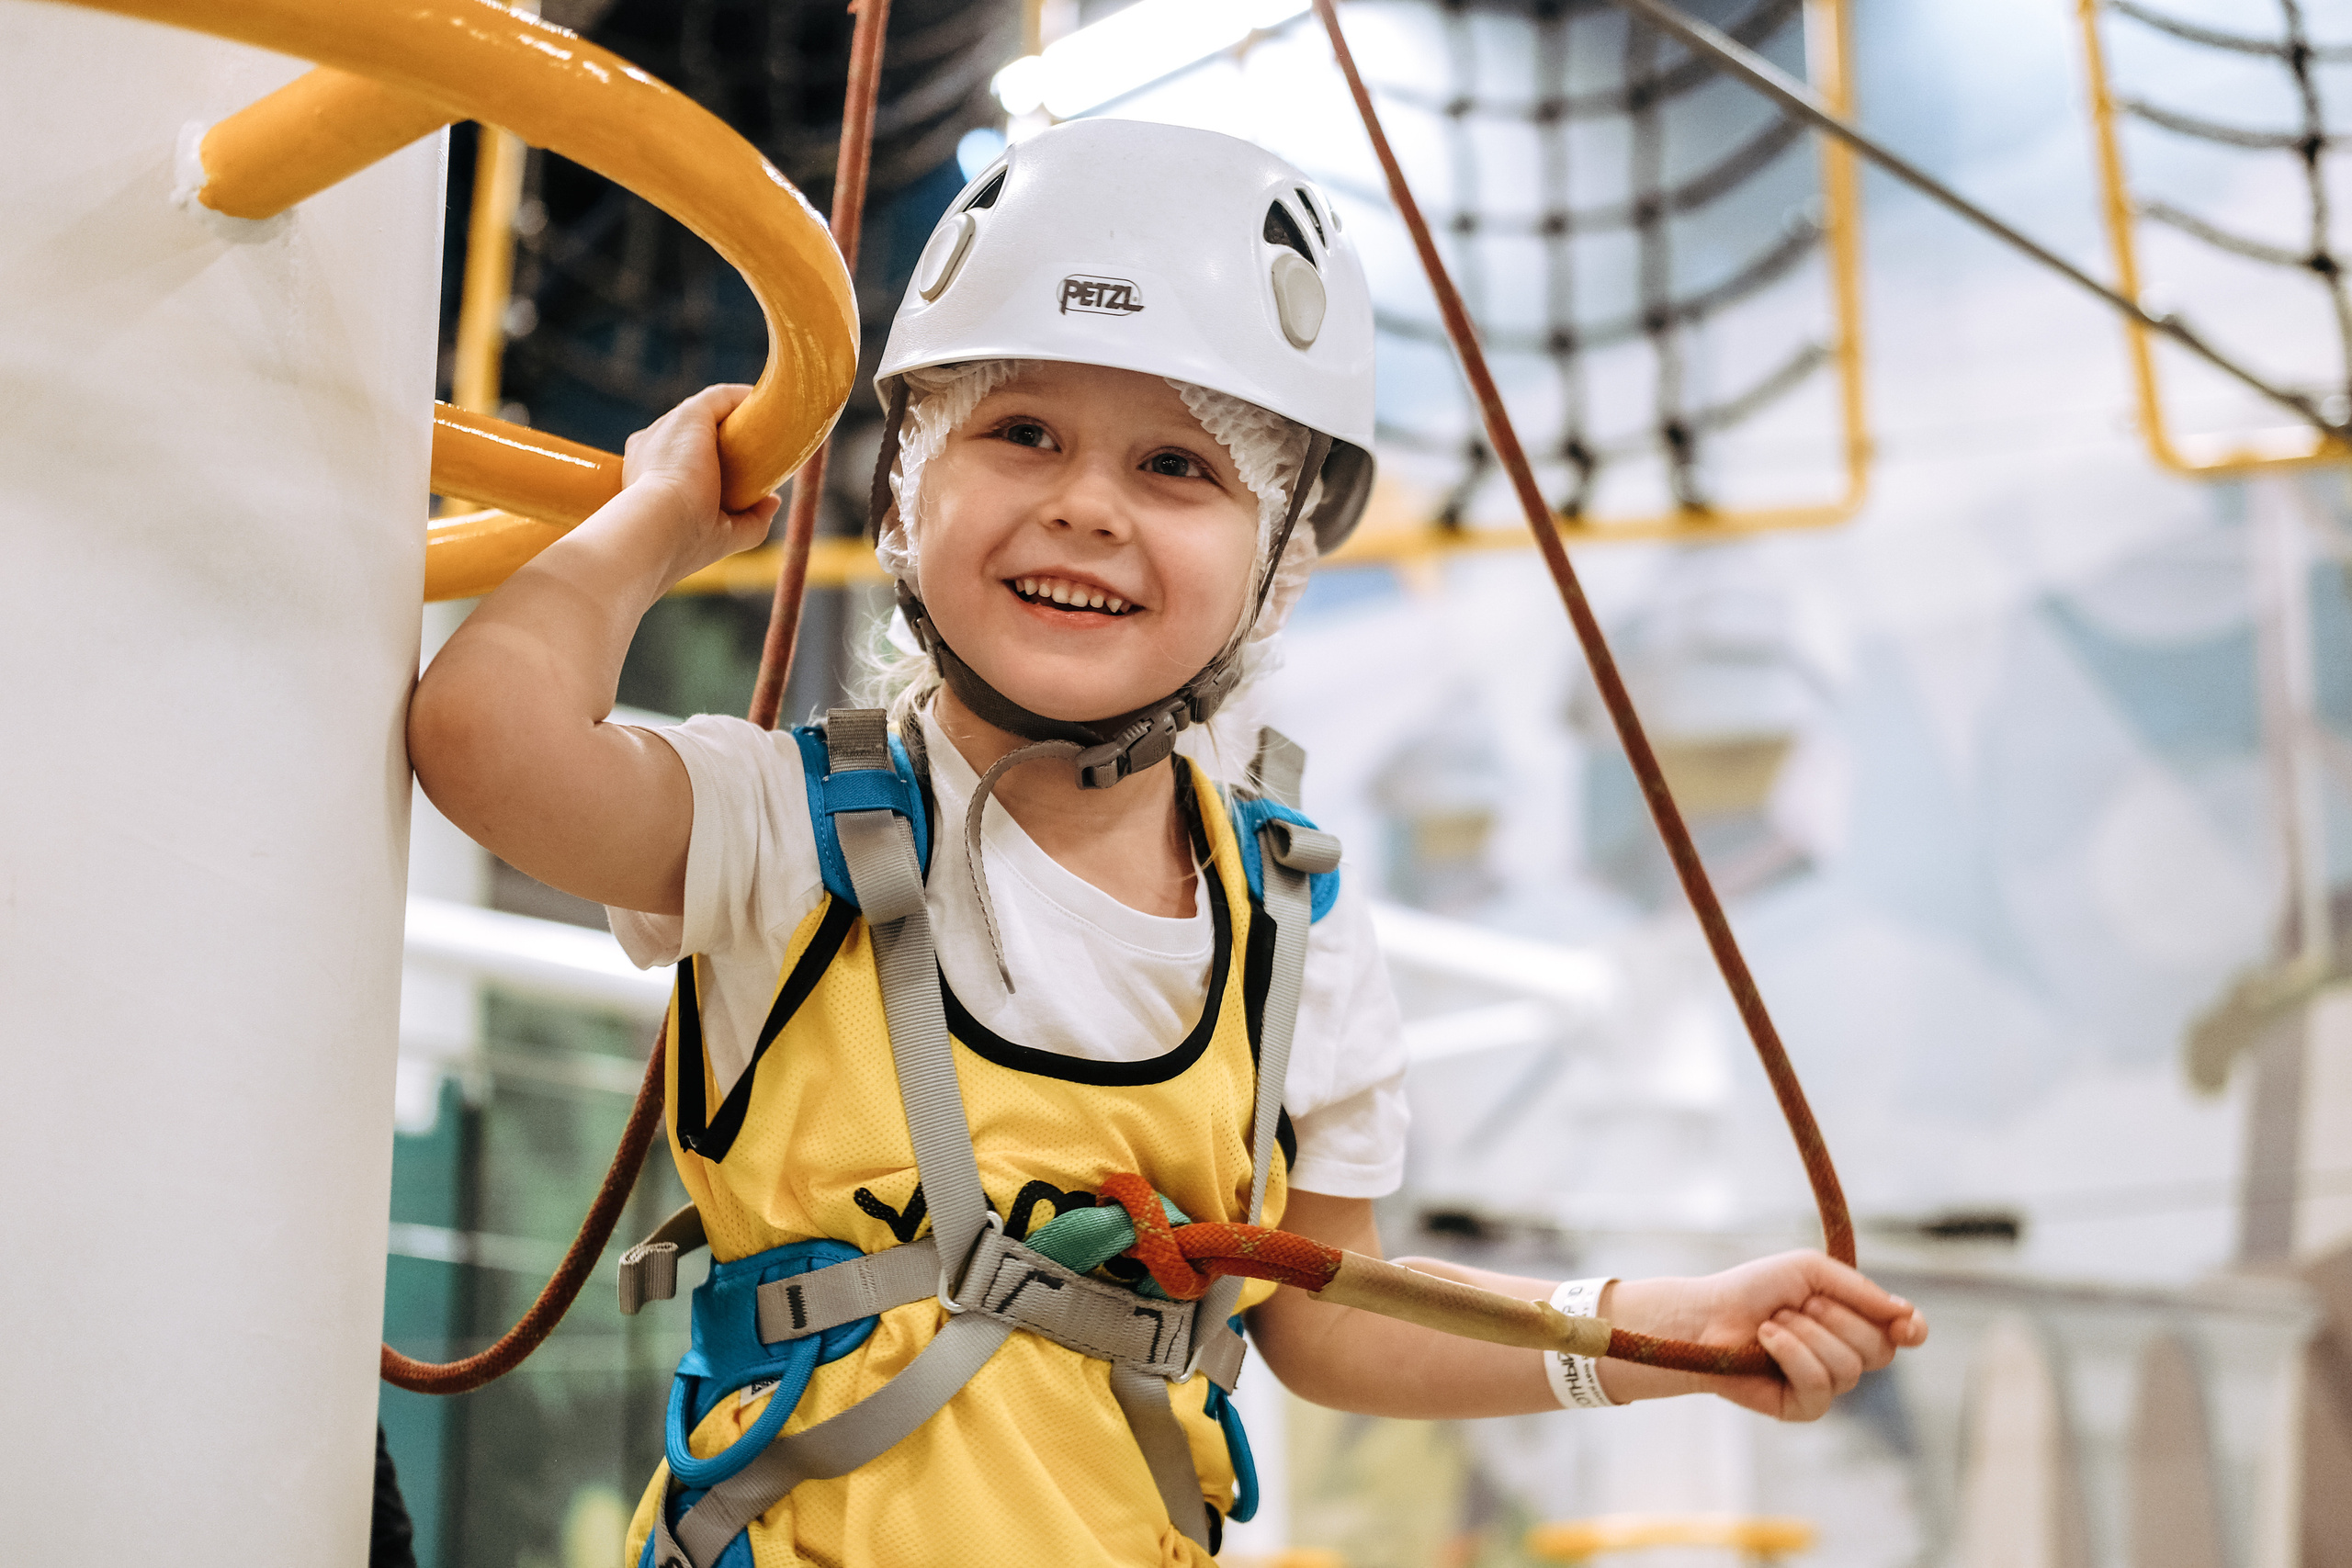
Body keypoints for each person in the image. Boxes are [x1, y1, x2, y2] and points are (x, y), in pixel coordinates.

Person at [409, 119, 1927, 1568]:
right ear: (905, 483)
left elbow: (1331, 1319)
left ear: (1278, 560)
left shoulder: (1289, 924)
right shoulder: (773, 826)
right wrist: (655, 528)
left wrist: (1658, 1337)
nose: (1085, 506)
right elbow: (487, 741)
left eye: (1178, 468)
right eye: (1020, 432)